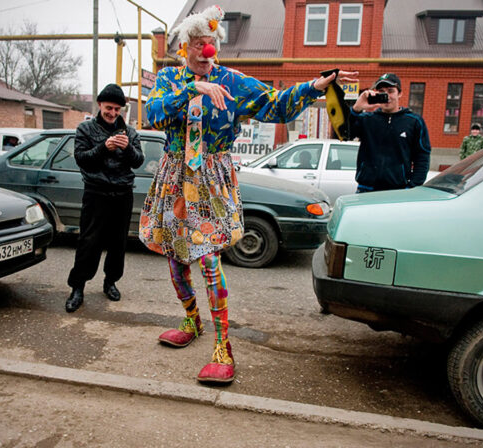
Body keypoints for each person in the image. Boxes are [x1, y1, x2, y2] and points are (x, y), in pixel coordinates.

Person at [140, 5, 358, 383]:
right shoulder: (170, 79)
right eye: (198, 44)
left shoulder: (232, 81)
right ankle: (192, 320)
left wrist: (312, 88)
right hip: (176, 176)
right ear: (184, 48)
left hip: (211, 178)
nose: (206, 50)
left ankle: (223, 346)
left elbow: (275, 106)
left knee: (208, 260)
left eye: (211, 43)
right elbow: (153, 114)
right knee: (175, 257)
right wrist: (193, 88)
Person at [64, 84, 144, 313]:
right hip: (96, 193)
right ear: (100, 105)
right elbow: (81, 158)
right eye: (109, 108)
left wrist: (127, 148)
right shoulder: (85, 129)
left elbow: (138, 160)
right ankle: (77, 287)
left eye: (117, 109)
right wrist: (104, 147)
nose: (113, 113)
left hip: (122, 194)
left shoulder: (129, 132)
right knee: (89, 242)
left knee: (118, 243)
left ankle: (111, 282)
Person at [349, 73, 431, 193]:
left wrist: (412, 187)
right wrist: (356, 108)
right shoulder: (366, 119)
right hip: (366, 189)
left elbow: (422, 157)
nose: (387, 95)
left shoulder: (414, 121)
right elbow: (343, 134)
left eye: (391, 91)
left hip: (397, 191)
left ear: (400, 93)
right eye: (382, 91)